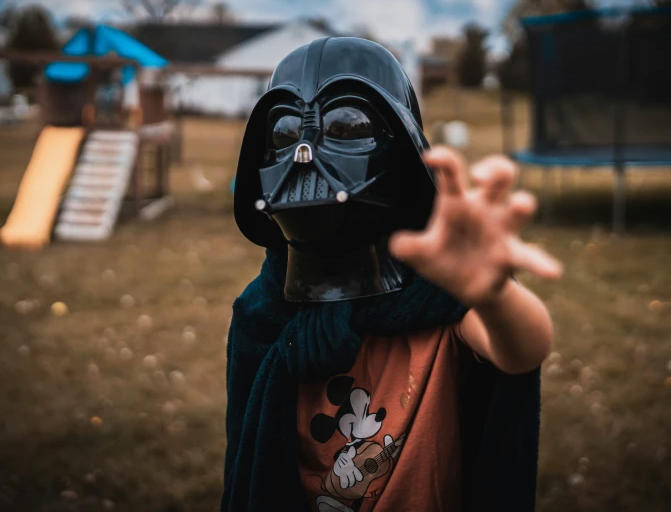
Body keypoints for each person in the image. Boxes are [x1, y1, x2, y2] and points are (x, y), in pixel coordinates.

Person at [223, 37, 561, 512]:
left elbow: (523, 352)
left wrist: (494, 296)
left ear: (403, 154)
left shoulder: (436, 301)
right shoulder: (261, 314)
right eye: (282, 130)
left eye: (345, 123)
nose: (303, 153)